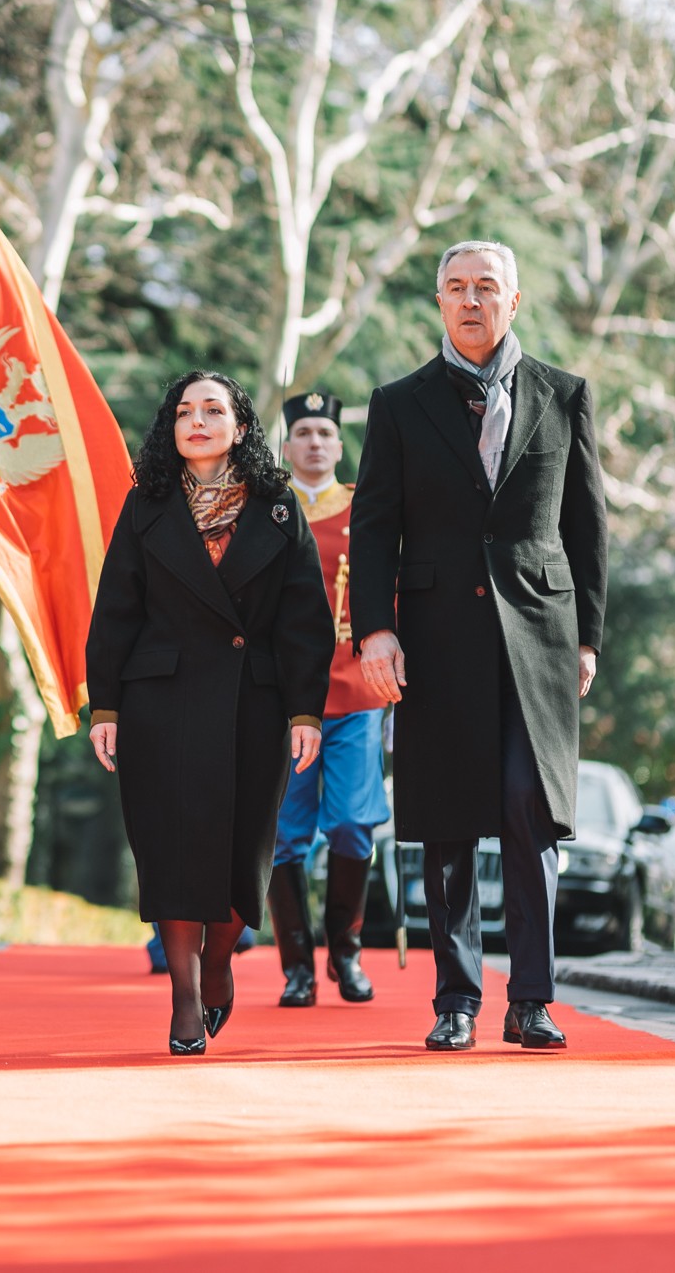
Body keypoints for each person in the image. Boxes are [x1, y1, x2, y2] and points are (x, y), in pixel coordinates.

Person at [348, 239, 608, 1054]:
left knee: (530, 812)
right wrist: (375, 630)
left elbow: (587, 528)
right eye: (456, 287)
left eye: (486, 287)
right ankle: (456, 998)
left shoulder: (564, 396)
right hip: (434, 638)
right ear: (439, 302)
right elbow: (374, 525)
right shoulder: (399, 403)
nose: (470, 300)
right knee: (451, 821)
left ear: (514, 301)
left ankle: (531, 997)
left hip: (539, 635)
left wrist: (588, 637)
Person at [86, 372, 332, 1056]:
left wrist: (305, 712)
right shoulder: (147, 505)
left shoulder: (279, 507)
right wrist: (104, 702)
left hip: (252, 701)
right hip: (158, 700)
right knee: (167, 851)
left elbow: (305, 621)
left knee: (240, 855)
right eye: (185, 411)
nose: (198, 420)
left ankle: (220, 959)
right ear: (171, 427)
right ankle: (185, 997)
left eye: (214, 409)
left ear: (241, 426)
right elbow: (116, 610)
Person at [269, 391, 396, 1008]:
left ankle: (345, 952)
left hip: (356, 691)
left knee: (350, 822)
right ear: (287, 445)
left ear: (339, 446)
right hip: (286, 696)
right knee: (284, 834)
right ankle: (297, 966)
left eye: (325, 433)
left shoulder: (365, 508)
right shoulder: (267, 508)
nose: (315, 442)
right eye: (304, 433)